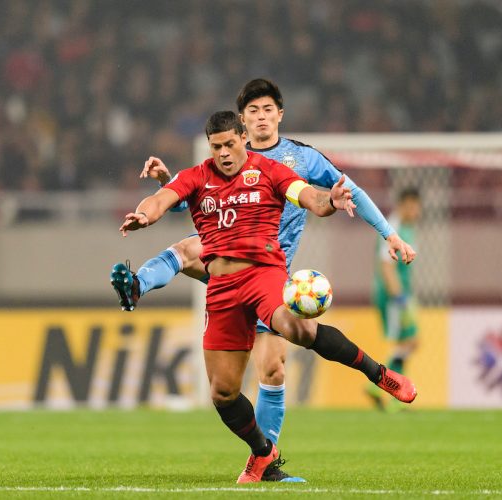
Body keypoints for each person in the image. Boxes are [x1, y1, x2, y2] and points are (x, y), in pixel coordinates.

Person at [112, 78, 416, 482]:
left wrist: (334, 202)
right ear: (235, 127)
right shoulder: (198, 175)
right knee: (223, 393)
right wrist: (144, 214)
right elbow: (165, 199)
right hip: (221, 287)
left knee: (298, 332)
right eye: (216, 147)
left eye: (229, 145)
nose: (223, 153)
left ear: (251, 133)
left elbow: (308, 195)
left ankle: (379, 374)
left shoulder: (278, 166)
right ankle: (263, 453)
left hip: (265, 275)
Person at [368, 187, 422, 411]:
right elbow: (386, 266)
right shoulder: (393, 228)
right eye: (410, 206)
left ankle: (394, 394)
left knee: (407, 342)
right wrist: (399, 297)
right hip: (394, 294)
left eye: (416, 206)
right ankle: (380, 386)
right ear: (401, 205)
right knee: (409, 342)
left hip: (401, 293)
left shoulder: (405, 227)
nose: (414, 211)